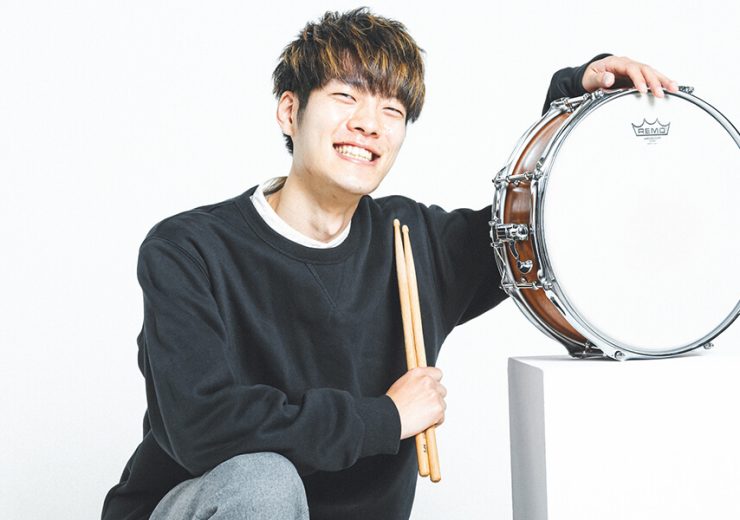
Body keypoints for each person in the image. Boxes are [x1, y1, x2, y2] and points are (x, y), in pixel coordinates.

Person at [101, 8, 677, 520]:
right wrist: (386, 418)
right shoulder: (190, 249)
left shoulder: (414, 240)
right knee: (264, 483)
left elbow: (527, 223)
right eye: (345, 97)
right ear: (290, 110)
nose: (368, 123)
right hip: (203, 506)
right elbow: (202, 425)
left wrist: (574, 96)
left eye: (392, 109)